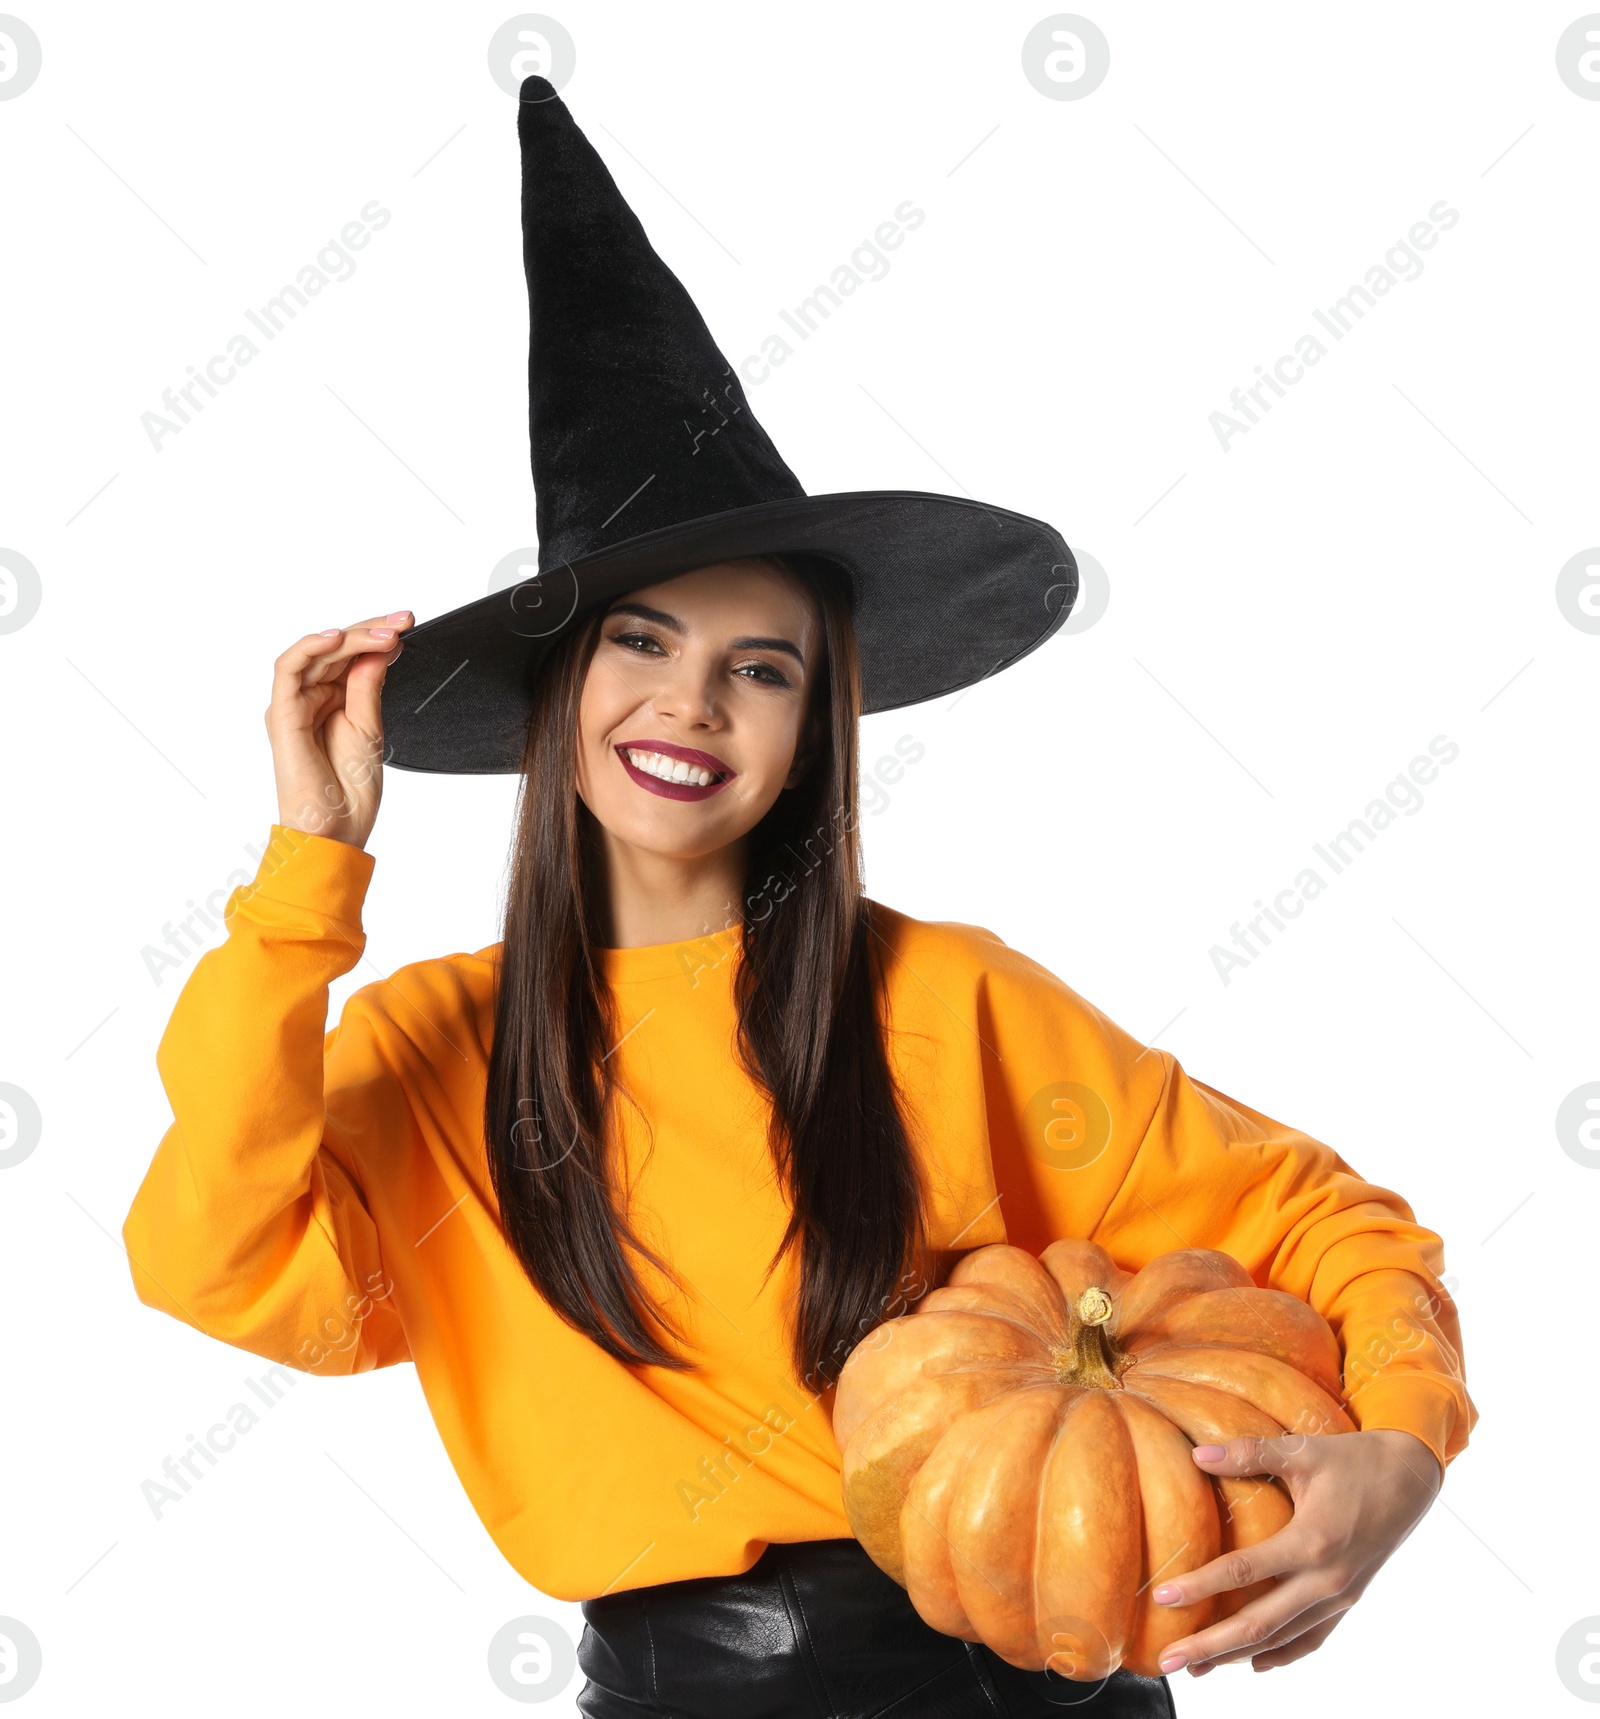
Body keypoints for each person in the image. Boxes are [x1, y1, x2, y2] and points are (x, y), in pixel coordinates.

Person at [120, 77, 1475, 1719]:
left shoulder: (950, 1002)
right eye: (638, 641)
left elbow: (1321, 1220)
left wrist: (1398, 1446)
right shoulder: (432, 1051)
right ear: (557, 693)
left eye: (759, 668)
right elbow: (214, 1256)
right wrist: (306, 879)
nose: (690, 705)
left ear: (815, 731)